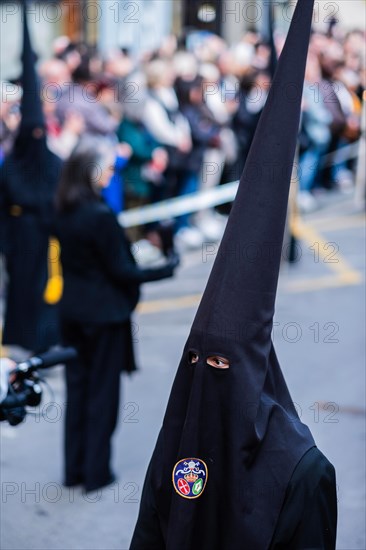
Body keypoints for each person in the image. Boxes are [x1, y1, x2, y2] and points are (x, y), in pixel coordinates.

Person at [129, 0, 337, 548]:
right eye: (196, 361)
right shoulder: (182, 438)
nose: (206, 375)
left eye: (222, 363)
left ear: (257, 366)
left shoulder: (303, 472)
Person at [55, 136, 179, 493]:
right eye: (108, 168)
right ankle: (96, 472)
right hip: (104, 316)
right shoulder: (100, 215)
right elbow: (122, 270)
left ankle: (74, 470)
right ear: (92, 171)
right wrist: (165, 269)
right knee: (102, 394)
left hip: (72, 311)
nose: (112, 175)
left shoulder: (63, 208)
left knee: (78, 391)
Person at [0, 7, 63, 352]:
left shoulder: (51, 161)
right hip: (21, 236)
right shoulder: (11, 165)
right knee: (23, 289)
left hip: (47, 235)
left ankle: (45, 340)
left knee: (47, 289)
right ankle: (22, 338)